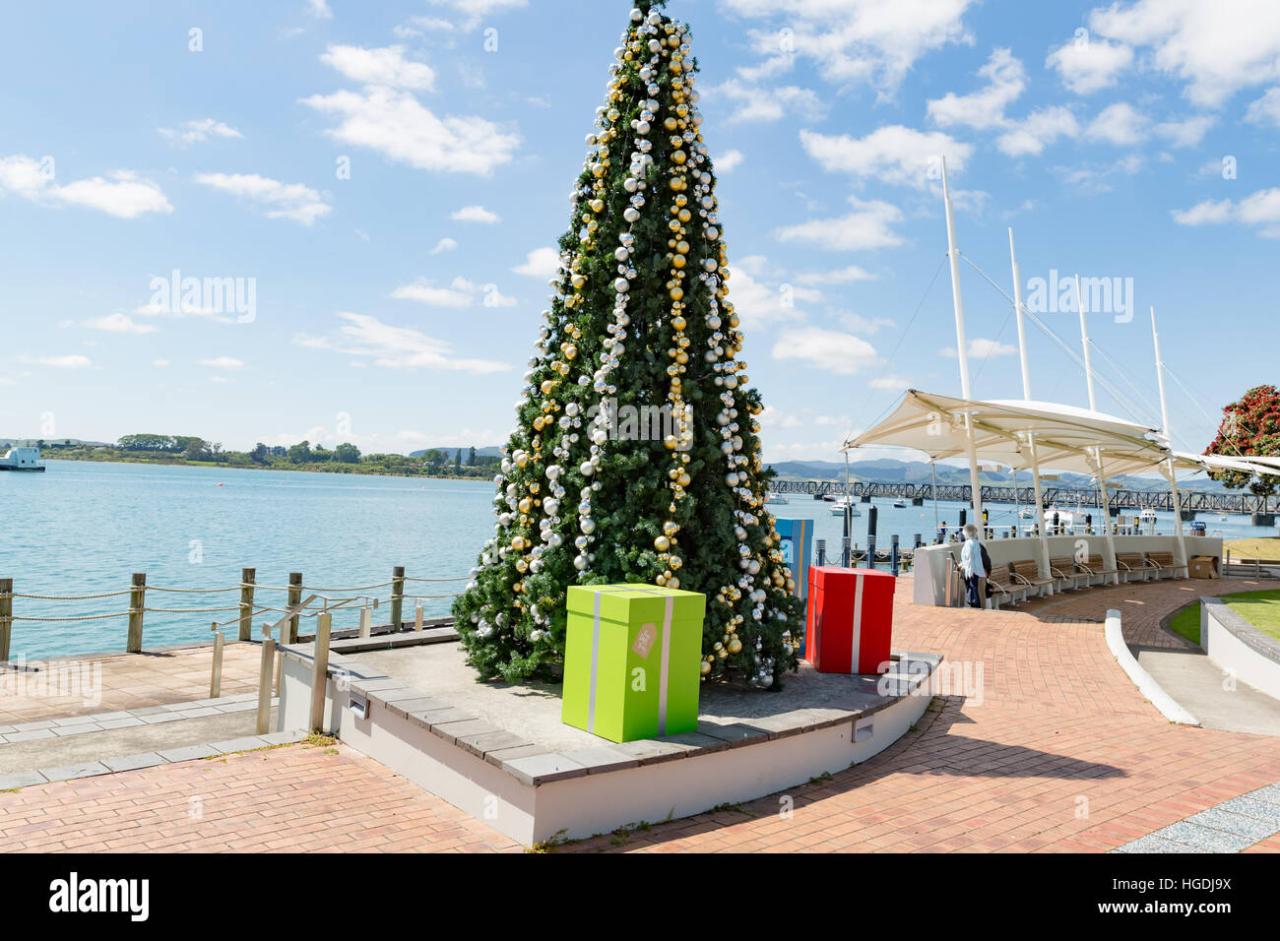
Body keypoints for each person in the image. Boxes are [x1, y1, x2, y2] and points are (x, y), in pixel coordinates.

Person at [959, 523, 987, 609]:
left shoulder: (969, 543)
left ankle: (975, 607)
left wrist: (966, 568)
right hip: (977, 571)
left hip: (971, 571)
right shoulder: (976, 542)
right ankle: (977, 607)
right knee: (975, 589)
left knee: (973, 589)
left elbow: (969, 558)